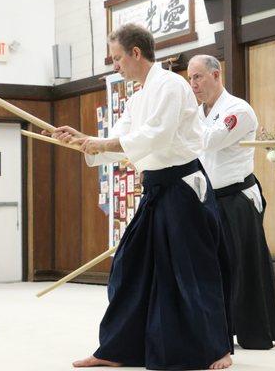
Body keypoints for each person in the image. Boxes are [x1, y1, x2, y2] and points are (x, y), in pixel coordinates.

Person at [48, 23, 233, 370]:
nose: (115, 66)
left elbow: (156, 136)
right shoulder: (136, 98)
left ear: (136, 53)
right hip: (156, 189)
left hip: (184, 187)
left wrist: (102, 143)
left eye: (118, 58)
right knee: (128, 265)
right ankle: (117, 348)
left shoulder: (172, 85)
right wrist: (81, 140)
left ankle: (216, 348)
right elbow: (120, 140)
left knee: (193, 269)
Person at [187, 54, 275, 350]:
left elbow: (210, 141)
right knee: (215, 268)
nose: (193, 84)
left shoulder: (238, 109)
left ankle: (269, 330)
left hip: (238, 199)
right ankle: (222, 330)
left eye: (198, 77)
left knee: (249, 267)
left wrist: (181, 126)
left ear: (216, 75)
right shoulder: (197, 114)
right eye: (190, 78)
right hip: (209, 199)